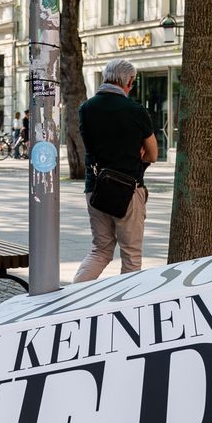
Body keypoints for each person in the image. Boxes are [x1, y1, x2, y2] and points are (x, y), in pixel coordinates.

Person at [73, 58, 158, 282]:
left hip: (96, 188)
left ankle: (72, 298)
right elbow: (153, 154)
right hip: (128, 189)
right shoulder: (136, 110)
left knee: (100, 250)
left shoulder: (86, 108)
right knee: (131, 256)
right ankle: (126, 306)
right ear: (129, 81)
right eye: (133, 82)